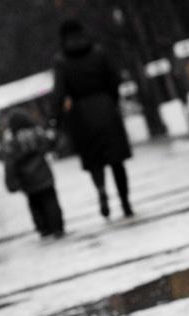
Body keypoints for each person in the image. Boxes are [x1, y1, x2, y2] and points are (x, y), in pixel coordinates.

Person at [52, 19, 133, 219]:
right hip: (106, 109)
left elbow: (59, 93)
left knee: (95, 160)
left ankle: (101, 190)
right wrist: (111, 101)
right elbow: (114, 80)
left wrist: (58, 119)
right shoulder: (98, 52)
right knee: (117, 161)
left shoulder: (61, 61)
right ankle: (125, 201)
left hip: (82, 116)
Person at [3, 111, 65, 238]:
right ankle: (57, 227)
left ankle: (43, 228)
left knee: (35, 204)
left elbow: (10, 164)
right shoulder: (37, 135)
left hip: (27, 181)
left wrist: (12, 183)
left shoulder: (13, 143)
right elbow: (52, 144)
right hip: (44, 176)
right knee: (51, 202)